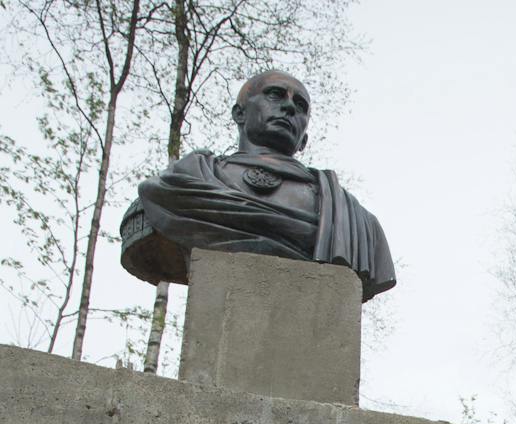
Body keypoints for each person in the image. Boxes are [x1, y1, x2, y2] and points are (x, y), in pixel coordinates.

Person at [120, 70, 395, 302]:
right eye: (275, 95)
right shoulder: (182, 184)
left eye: (300, 106)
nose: (289, 107)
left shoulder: (353, 222)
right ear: (239, 114)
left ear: (304, 141)